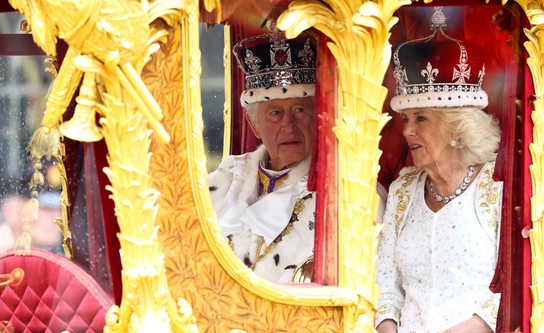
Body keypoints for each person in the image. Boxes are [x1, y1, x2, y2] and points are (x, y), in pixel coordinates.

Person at [209, 29, 387, 283]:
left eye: (299, 109)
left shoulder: (352, 193)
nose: (289, 125)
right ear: (254, 123)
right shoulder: (223, 183)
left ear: (318, 117)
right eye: (275, 113)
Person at [376, 8, 503, 333]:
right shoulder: (403, 191)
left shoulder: (497, 187)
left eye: (421, 119)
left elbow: (511, 290)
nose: (406, 132)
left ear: (456, 127)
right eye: (406, 119)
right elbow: (386, 290)